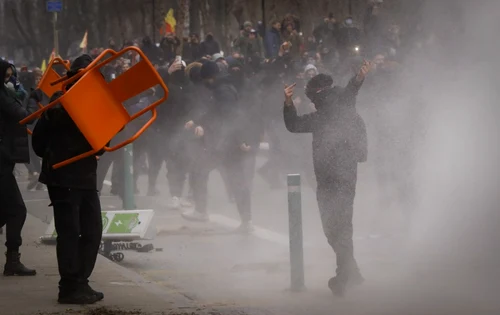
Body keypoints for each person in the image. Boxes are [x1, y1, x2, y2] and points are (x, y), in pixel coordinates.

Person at [283, 61, 372, 297]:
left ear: (318, 94)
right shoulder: (327, 111)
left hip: (335, 178)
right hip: (337, 178)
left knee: (336, 227)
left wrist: (289, 102)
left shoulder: (340, 104)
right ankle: (351, 271)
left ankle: (343, 276)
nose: (311, 101)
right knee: (339, 227)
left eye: (312, 97)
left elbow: (351, 89)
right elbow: (294, 125)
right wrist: (288, 102)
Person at [31, 54, 105, 304]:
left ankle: (80, 282)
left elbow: (102, 143)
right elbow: (39, 143)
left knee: (93, 231)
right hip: (63, 179)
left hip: (84, 177)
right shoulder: (58, 105)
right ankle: (70, 286)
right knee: (70, 233)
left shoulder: (93, 103)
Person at [0, 59, 38, 276]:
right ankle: (12, 261)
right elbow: (25, 117)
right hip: (1, 163)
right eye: (6, 77)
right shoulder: (2, 96)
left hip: (3, 161)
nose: (9, 81)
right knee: (17, 210)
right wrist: (33, 99)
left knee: (7, 210)